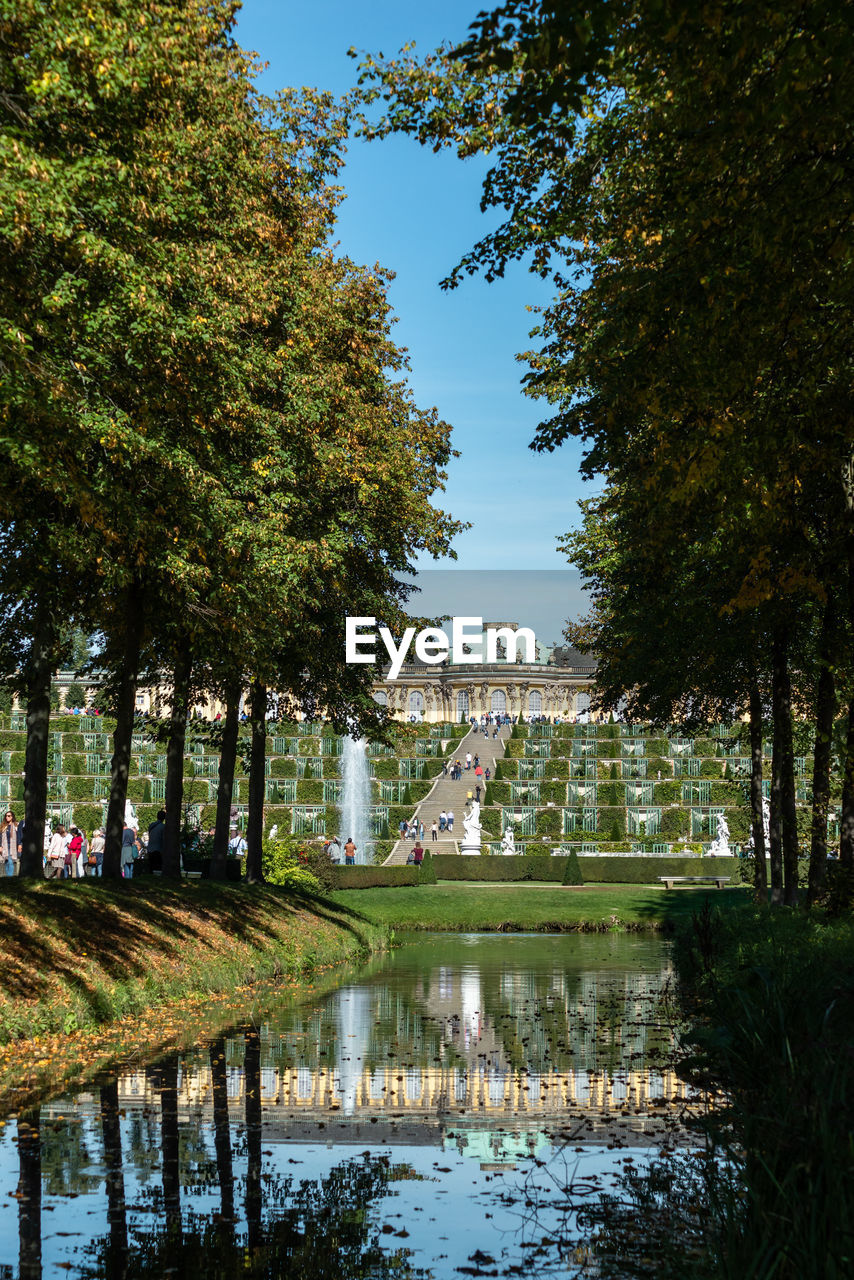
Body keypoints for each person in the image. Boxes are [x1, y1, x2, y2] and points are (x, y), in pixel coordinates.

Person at [147, 809, 166, 874]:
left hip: (150, 849)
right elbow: (164, 839)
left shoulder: (151, 825)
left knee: (151, 868)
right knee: (158, 869)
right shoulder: (163, 827)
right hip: (158, 850)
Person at [1, 809, 17, 877]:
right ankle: (8, 877)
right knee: (7, 861)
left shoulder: (16, 826)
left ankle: (9, 877)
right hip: (5, 846)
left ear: (12, 817)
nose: (7, 817)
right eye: (6, 816)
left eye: (9, 816)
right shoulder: (3, 826)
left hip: (12, 846)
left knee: (10, 861)